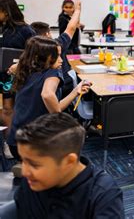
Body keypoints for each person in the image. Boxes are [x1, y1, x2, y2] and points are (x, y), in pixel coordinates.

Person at [14, 112, 124, 218]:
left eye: (34, 165)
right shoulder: (30, 183)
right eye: (23, 160)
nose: (24, 171)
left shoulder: (103, 195)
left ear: (69, 161)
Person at [8, 37, 91, 170]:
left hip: (15, 141)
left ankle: (28, 167)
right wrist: (60, 118)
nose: (61, 60)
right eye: (57, 56)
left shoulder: (25, 69)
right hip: (36, 143)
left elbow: (52, 103)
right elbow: (47, 95)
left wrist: (76, 91)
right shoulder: (53, 72)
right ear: (43, 57)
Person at [0, 0, 36, 159]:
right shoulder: (2, 28)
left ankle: (14, 141)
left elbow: (35, 54)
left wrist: (19, 66)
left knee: (16, 109)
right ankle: (8, 140)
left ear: (6, 12)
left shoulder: (25, 30)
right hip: (2, 75)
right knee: (6, 109)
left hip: (18, 76)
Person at [28, 0, 82, 97]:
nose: (60, 60)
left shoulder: (31, 51)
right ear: (48, 34)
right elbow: (71, 28)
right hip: (63, 88)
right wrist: (78, 10)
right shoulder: (55, 45)